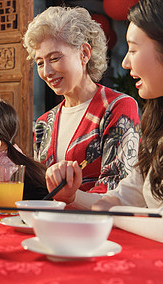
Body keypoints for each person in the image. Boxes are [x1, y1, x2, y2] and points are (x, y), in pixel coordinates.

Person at [45, 0, 163, 217]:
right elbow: (123, 198)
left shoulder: (119, 106)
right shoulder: (160, 126)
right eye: (39, 62)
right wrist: (71, 197)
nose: (125, 63)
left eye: (133, 49)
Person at [23, 6, 141, 204]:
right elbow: (44, 191)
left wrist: (70, 197)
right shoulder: (44, 123)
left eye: (54, 58)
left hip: (98, 228)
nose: (47, 71)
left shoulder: (118, 107)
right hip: (51, 224)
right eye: (40, 63)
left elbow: (117, 192)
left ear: (84, 53)